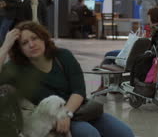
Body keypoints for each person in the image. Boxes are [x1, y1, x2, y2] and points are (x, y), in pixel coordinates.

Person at [0, 21, 134, 136]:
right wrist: (5, 47)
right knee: (89, 134)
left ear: (43, 38)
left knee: (125, 133)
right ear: (20, 49)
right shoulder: (17, 68)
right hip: (53, 119)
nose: (31, 44)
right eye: (24, 43)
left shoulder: (62, 56)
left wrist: (66, 113)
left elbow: (78, 89)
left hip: (79, 110)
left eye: (34, 38)